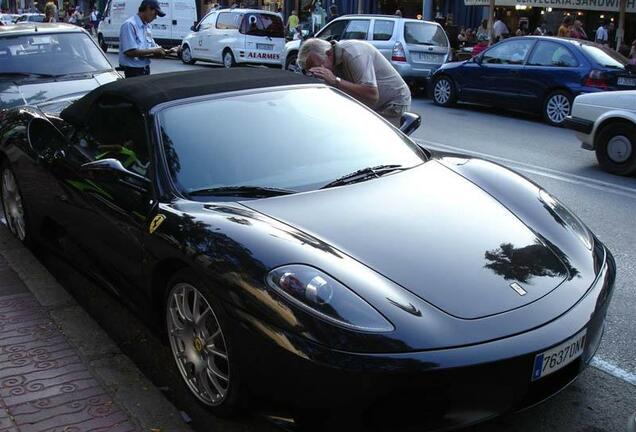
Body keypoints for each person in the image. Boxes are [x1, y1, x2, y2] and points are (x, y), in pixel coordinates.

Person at [297, 38, 411, 126]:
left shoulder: (355, 53)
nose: (319, 71)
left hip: (392, 103)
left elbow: (372, 95)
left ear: (329, 53)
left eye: (318, 66)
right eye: (311, 71)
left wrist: (335, 80)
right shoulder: (330, 63)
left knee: (374, 141)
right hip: (371, 105)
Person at [119, 0, 176, 78]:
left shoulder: (147, 26)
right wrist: (154, 50)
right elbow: (129, 52)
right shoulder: (130, 25)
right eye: (155, 13)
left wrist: (167, 51)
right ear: (148, 8)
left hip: (145, 69)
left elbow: (149, 50)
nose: (155, 17)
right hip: (132, 71)